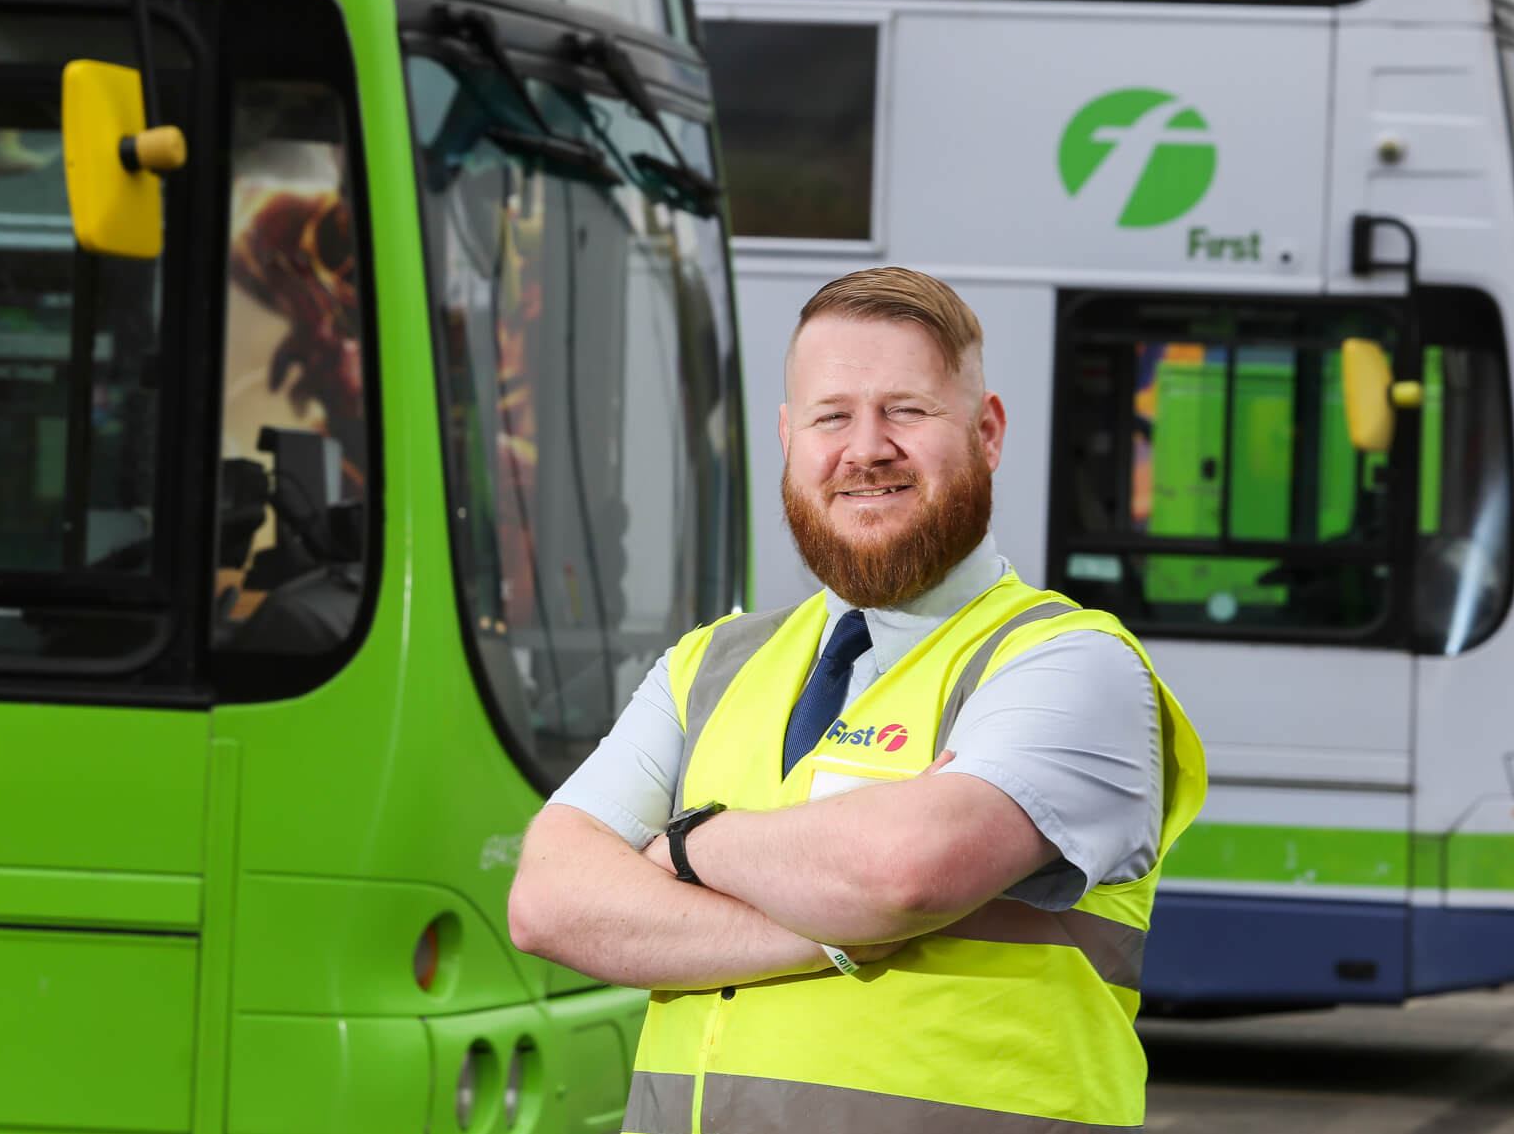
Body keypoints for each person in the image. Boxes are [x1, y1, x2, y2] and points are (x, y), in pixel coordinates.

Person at [508, 267, 1205, 1134]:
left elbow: (900, 873)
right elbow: (546, 900)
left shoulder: (1072, 663)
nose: (866, 447)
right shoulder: (712, 663)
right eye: (832, 416)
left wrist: (685, 843)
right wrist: (832, 933)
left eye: (906, 410)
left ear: (987, 433)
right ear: (789, 438)